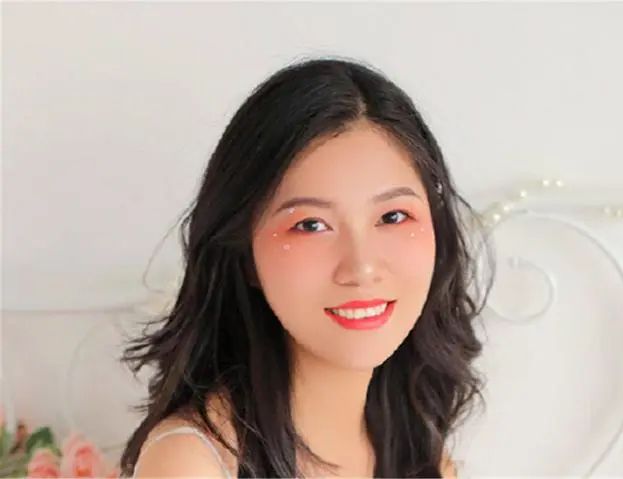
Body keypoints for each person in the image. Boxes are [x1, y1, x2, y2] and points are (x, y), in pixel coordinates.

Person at [118, 56, 491, 478]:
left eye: (392, 216)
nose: (362, 267)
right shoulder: (193, 463)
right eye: (311, 225)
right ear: (245, 255)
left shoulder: (421, 451)